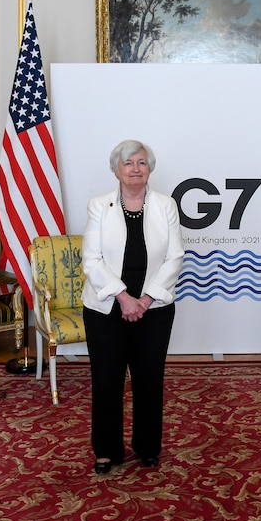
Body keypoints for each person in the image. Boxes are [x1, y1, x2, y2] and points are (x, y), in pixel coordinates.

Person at [81, 139, 185, 475]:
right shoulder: (99, 205)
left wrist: (146, 299)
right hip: (106, 309)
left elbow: (175, 257)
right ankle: (106, 451)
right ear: (116, 170)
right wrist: (124, 298)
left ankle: (148, 447)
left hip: (153, 309)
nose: (135, 169)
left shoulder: (166, 205)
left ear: (149, 168)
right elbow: (92, 260)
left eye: (141, 162)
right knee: (107, 380)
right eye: (128, 163)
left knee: (149, 379)